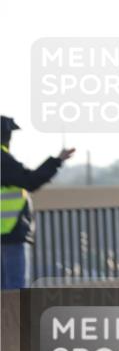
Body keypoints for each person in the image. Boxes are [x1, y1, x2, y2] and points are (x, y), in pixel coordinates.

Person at [1, 116, 74, 289]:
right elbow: (31, 181)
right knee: (14, 289)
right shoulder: (3, 161)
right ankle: (14, 317)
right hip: (8, 232)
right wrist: (57, 161)